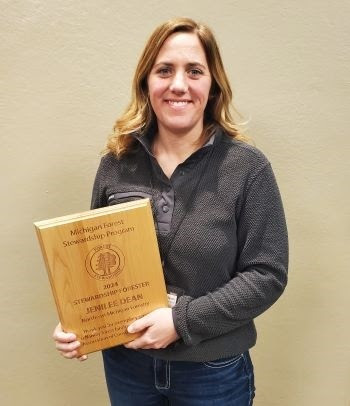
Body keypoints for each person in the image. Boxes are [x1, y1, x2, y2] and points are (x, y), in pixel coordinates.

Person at [53, 17, 288, 405]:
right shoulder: (116, 162)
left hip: (213, 372)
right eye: (165, 70)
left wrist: (181, 322)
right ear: (147, 81)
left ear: (212, 86)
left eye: (194, 71)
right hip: (128, 369)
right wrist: (79, 321)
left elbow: (267, 274)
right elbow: (91, 263)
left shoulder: (247, 168)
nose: (179, 85)